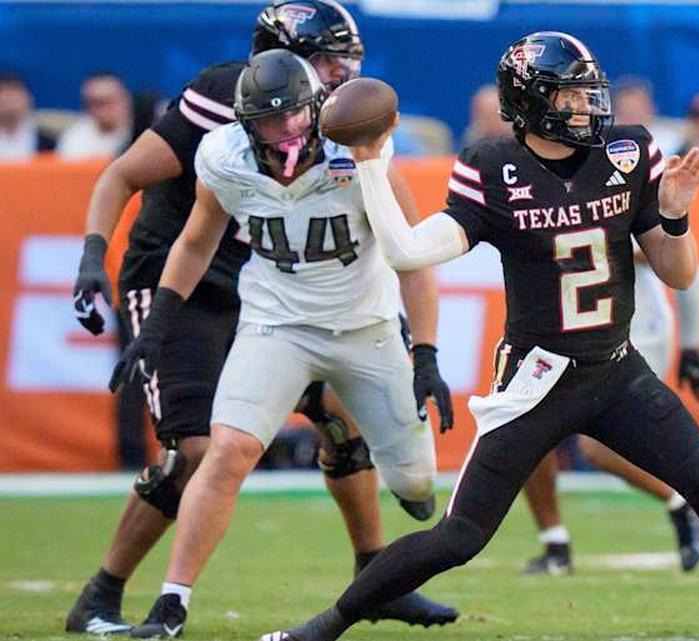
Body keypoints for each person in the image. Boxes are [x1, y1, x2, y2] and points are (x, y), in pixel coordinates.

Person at [262, 31, 699, 641]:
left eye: (587, 92)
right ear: (534, 102)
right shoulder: (493, 167)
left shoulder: (626, 152)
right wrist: (370, 163)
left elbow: (678, 273)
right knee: (459, 538)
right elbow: (408, 253)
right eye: (570, 96)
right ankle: (323, 627)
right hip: (539, 379)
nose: (588, 105)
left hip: (617, 369)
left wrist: (674, 214)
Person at [66, 1, 455, 636]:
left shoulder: (347, 136)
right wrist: (97, 261)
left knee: (343, 427)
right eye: (325, 59)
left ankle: (376, 575)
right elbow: (138, 190)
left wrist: (424, 350)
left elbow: (408, 252)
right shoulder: (223, 120)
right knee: (205, 450)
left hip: (276, 287)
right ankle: (115, 593)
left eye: (344, 61)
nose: (339, 74)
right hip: (191, 286)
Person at [519, 254, 699, 575]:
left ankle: (682, 500)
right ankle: (555, 546)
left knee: (597, 449)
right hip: (566, 328)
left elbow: (682, 258)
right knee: (523, 422)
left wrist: (692, 344)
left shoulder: (616, 202)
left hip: (633, 331)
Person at [57, 73, 134, 160]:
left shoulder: (144, 133)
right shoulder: (76, 138)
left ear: (126, 100)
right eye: (95, 103)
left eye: (108, 102)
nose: (103, 110)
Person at [0, 73, 55, 160]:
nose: (7, 99)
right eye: (2, 93)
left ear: (29, 99)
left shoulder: (48, 144)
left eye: (13, 94)